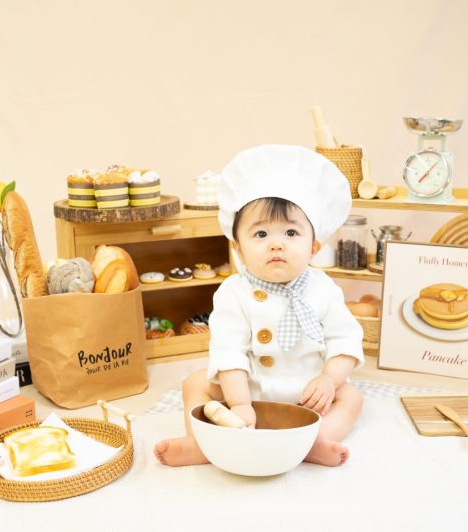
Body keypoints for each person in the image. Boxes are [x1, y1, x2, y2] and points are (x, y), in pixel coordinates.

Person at [154, 144, 364, 467]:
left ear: (313, 247)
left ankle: (315, 440)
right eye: (261, 233)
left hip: (307, 393)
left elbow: (345, 341)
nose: (276, 243)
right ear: (238, 249)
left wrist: (328, 380)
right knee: (194, 384)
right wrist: (239, 403)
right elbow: (228, 351)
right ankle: (202, 443)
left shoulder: (324, 288)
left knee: (351, 396)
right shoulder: (233, 292)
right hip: (248, 389)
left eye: (291, 232)